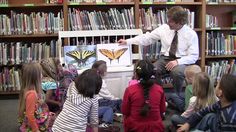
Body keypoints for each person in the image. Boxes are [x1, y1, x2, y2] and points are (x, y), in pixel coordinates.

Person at [118, 6, 199, 95]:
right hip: (165, 58)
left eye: (171, 21)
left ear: (179, 22)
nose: (168, 23)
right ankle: (158, 95)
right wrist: (127, 41)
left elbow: (194, 56)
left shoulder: (191, 34)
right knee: (153, 70)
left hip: (181, 60)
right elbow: (147, 38)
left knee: (177, 73)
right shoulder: (164, 28)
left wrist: (177, 61)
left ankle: (177, 96)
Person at [122, 60, 166, 132]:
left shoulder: (130, 90)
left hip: (135, 127)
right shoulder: (159, 89)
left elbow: (125, 111)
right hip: (156, 128)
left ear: (136, 74)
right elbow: (163, 110)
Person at [18, 63, 51, 132]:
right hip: (34, 122)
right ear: (35, 77)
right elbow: (30, 115)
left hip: (35, 115)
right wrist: (36, 130)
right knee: (52, 119)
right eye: (40, 73)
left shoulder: (28, 88)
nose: (42, 75)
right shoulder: (32, 94)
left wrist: (39, 101)